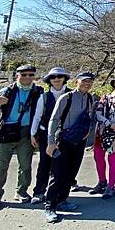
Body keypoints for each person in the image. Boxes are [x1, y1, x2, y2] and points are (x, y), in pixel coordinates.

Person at [0, 64, 44, 210]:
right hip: (5, 132)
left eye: (30, 75)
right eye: (24, 75)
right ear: (17, 75)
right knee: (1, 166)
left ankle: (21, 192)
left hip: (26, 133)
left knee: (25, 166)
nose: (27, 77)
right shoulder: (7, 90)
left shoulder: (38, 92)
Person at [43, 72, 97, 223]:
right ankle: (50, 206)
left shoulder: (90, 98)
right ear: (76, 82)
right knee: (58, 173)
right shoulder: (66, 98)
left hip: (79, 141)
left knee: (72, 172)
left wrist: (88, 132)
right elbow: (53, 120)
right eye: (84, 81)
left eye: (90, 82)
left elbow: (90, 117)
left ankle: (62, 200)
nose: (87, 84)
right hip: (63, 140)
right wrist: (50, 141)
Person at [30, 67, 71, 204]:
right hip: (46, 134)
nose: (57, 79)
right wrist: (32, 134)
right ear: (49, 80)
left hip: (66, 135)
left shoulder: (72, 95)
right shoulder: (44, 96)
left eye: (60, 76)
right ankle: (39, 191)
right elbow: (37, 116)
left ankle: (59, 193)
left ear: (64, 78)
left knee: (62, 164)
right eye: (53, 77)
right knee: (44, 163)